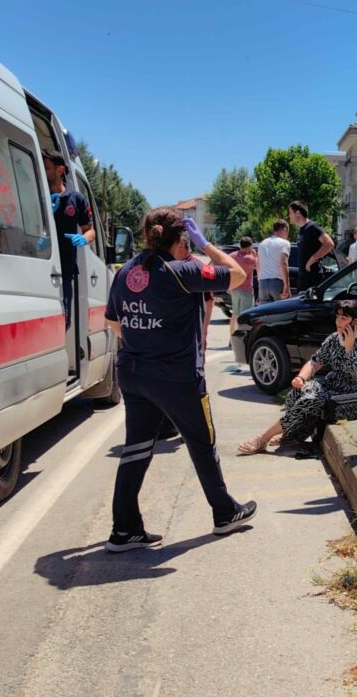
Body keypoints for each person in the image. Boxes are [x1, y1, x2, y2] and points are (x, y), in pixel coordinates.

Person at [103, 209, 257, 552]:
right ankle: (224, 512)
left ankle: (124, 529)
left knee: (137, 448)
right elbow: (236, 274)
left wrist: (144, 340)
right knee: (201, 443)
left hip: (133, 372)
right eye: (187, 241)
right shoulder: (183, 271)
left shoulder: (126, 271)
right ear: (180, 239)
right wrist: (207, 244)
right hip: (177, 377)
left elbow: (114, 323)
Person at [238, 300, 357, 455]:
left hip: (352, 397)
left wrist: (349, 349)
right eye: (337, 317)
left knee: (310, 400)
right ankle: (291, 435)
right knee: (297, 392)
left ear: (355, 321)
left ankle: (262, 438)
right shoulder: (334, 338)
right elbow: (315, 361)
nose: (338, 322)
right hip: (331, 387)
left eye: (343, 318)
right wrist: (301, 378)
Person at [42, 149, 96, 329]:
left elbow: (90, 231)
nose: (43, 170)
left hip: (64, 271)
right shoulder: (37, 195)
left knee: (63, 322)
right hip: (39, 266)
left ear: (60, 170)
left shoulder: (76, 198)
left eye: (47, 167)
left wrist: (83, 239)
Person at [290, 201, 334, 291]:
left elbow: (329, 244)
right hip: (303, 277)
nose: (289, 215)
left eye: (290, 213)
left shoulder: (312, 227)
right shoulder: (302, 230)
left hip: (312, 277)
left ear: (298, 213)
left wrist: (312, 259)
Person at [257, 220, 292, 303]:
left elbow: (258, 265)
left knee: (265, 313)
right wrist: (287, 286)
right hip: (277, 282)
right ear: (285, 229)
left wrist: (259, 283)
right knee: (281, 312)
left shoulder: (262, 244)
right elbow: (283, 264)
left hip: (263, 283)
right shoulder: (284, 243)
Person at [229, 236, 258, 334]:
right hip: (246, 290)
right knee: (245, 315)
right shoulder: (250, 259)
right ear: (249, 246)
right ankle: (243, 337)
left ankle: (232, 337)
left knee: (235, 314)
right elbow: (258, 267)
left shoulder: (232, 256)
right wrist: (255, 255)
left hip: (234, 288)